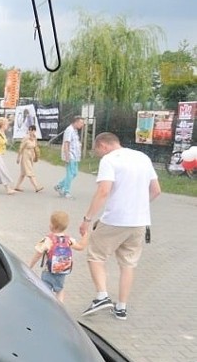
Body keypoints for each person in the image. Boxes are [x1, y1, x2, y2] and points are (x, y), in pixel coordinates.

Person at [78, 132, 162, 320]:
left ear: (103, 145)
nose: (98, 154)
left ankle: (102, 296)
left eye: (97, 150)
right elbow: (156, 191)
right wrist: (138, 206)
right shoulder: (143, 157)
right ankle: (121, 308)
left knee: (96, 255)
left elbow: (103, 191)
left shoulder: (109, 160)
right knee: (128, 264)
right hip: (140, 222)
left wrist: (87, 218)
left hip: (115, 220)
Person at [28, 210, 88, 303]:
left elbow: (38, 254)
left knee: (45, 289)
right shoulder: (68, 240)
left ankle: (45, 306)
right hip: (62, 270)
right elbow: (81, 247)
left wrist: (29, 266)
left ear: (52, 226)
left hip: (48, 271)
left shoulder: (48, 239)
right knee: (60, 289)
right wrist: (85, 235)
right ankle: (60, 307)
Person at [54, 116, 84, 199]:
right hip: (70, 155)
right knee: (70, 174)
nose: (82, 125)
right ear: (76, 122)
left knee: (74, 173)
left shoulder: (75, 131)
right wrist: (67, 156)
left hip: (75, 155)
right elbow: (66, 143)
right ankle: (66, 191)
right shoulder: (69, 130)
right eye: (81, 123)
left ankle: (59, 186)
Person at [14, 125, 43, 192]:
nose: (30, 131)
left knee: (23, 173)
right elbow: (21, 148)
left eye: (32, 130)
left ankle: (17, 186)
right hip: (25, 155)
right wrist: (18, 157)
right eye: (29, 130)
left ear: (35, 131)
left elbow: (35, 147)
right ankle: (36, 187)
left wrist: (36, 156)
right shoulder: (26, 138)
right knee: (30, 171)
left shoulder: (34, 138)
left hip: (31, 155)